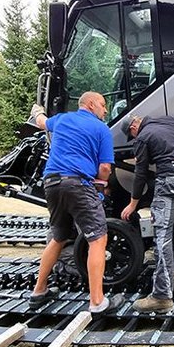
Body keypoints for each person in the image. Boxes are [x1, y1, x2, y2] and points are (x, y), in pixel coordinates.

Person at [29, 92, 124, 315]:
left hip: (51, 183)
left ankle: (39, 291)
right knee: (98, 239)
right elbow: (105, 169)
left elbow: (41, 122)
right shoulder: (102, 129)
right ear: (90, 105)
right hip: (78, 184)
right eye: (102, 105)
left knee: (58, 237)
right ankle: (97, 302)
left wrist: (37, 111)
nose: (105, 110)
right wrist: (100, 187)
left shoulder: (62, 119)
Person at [121, 114, 174, 313]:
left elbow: (140, 174)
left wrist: (132, 204)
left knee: (161, 236)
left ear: (133, 126)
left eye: (131, 134)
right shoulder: (171, 120)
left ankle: (162, 296)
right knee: (170, 231)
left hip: (170, 183)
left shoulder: (142, 137)